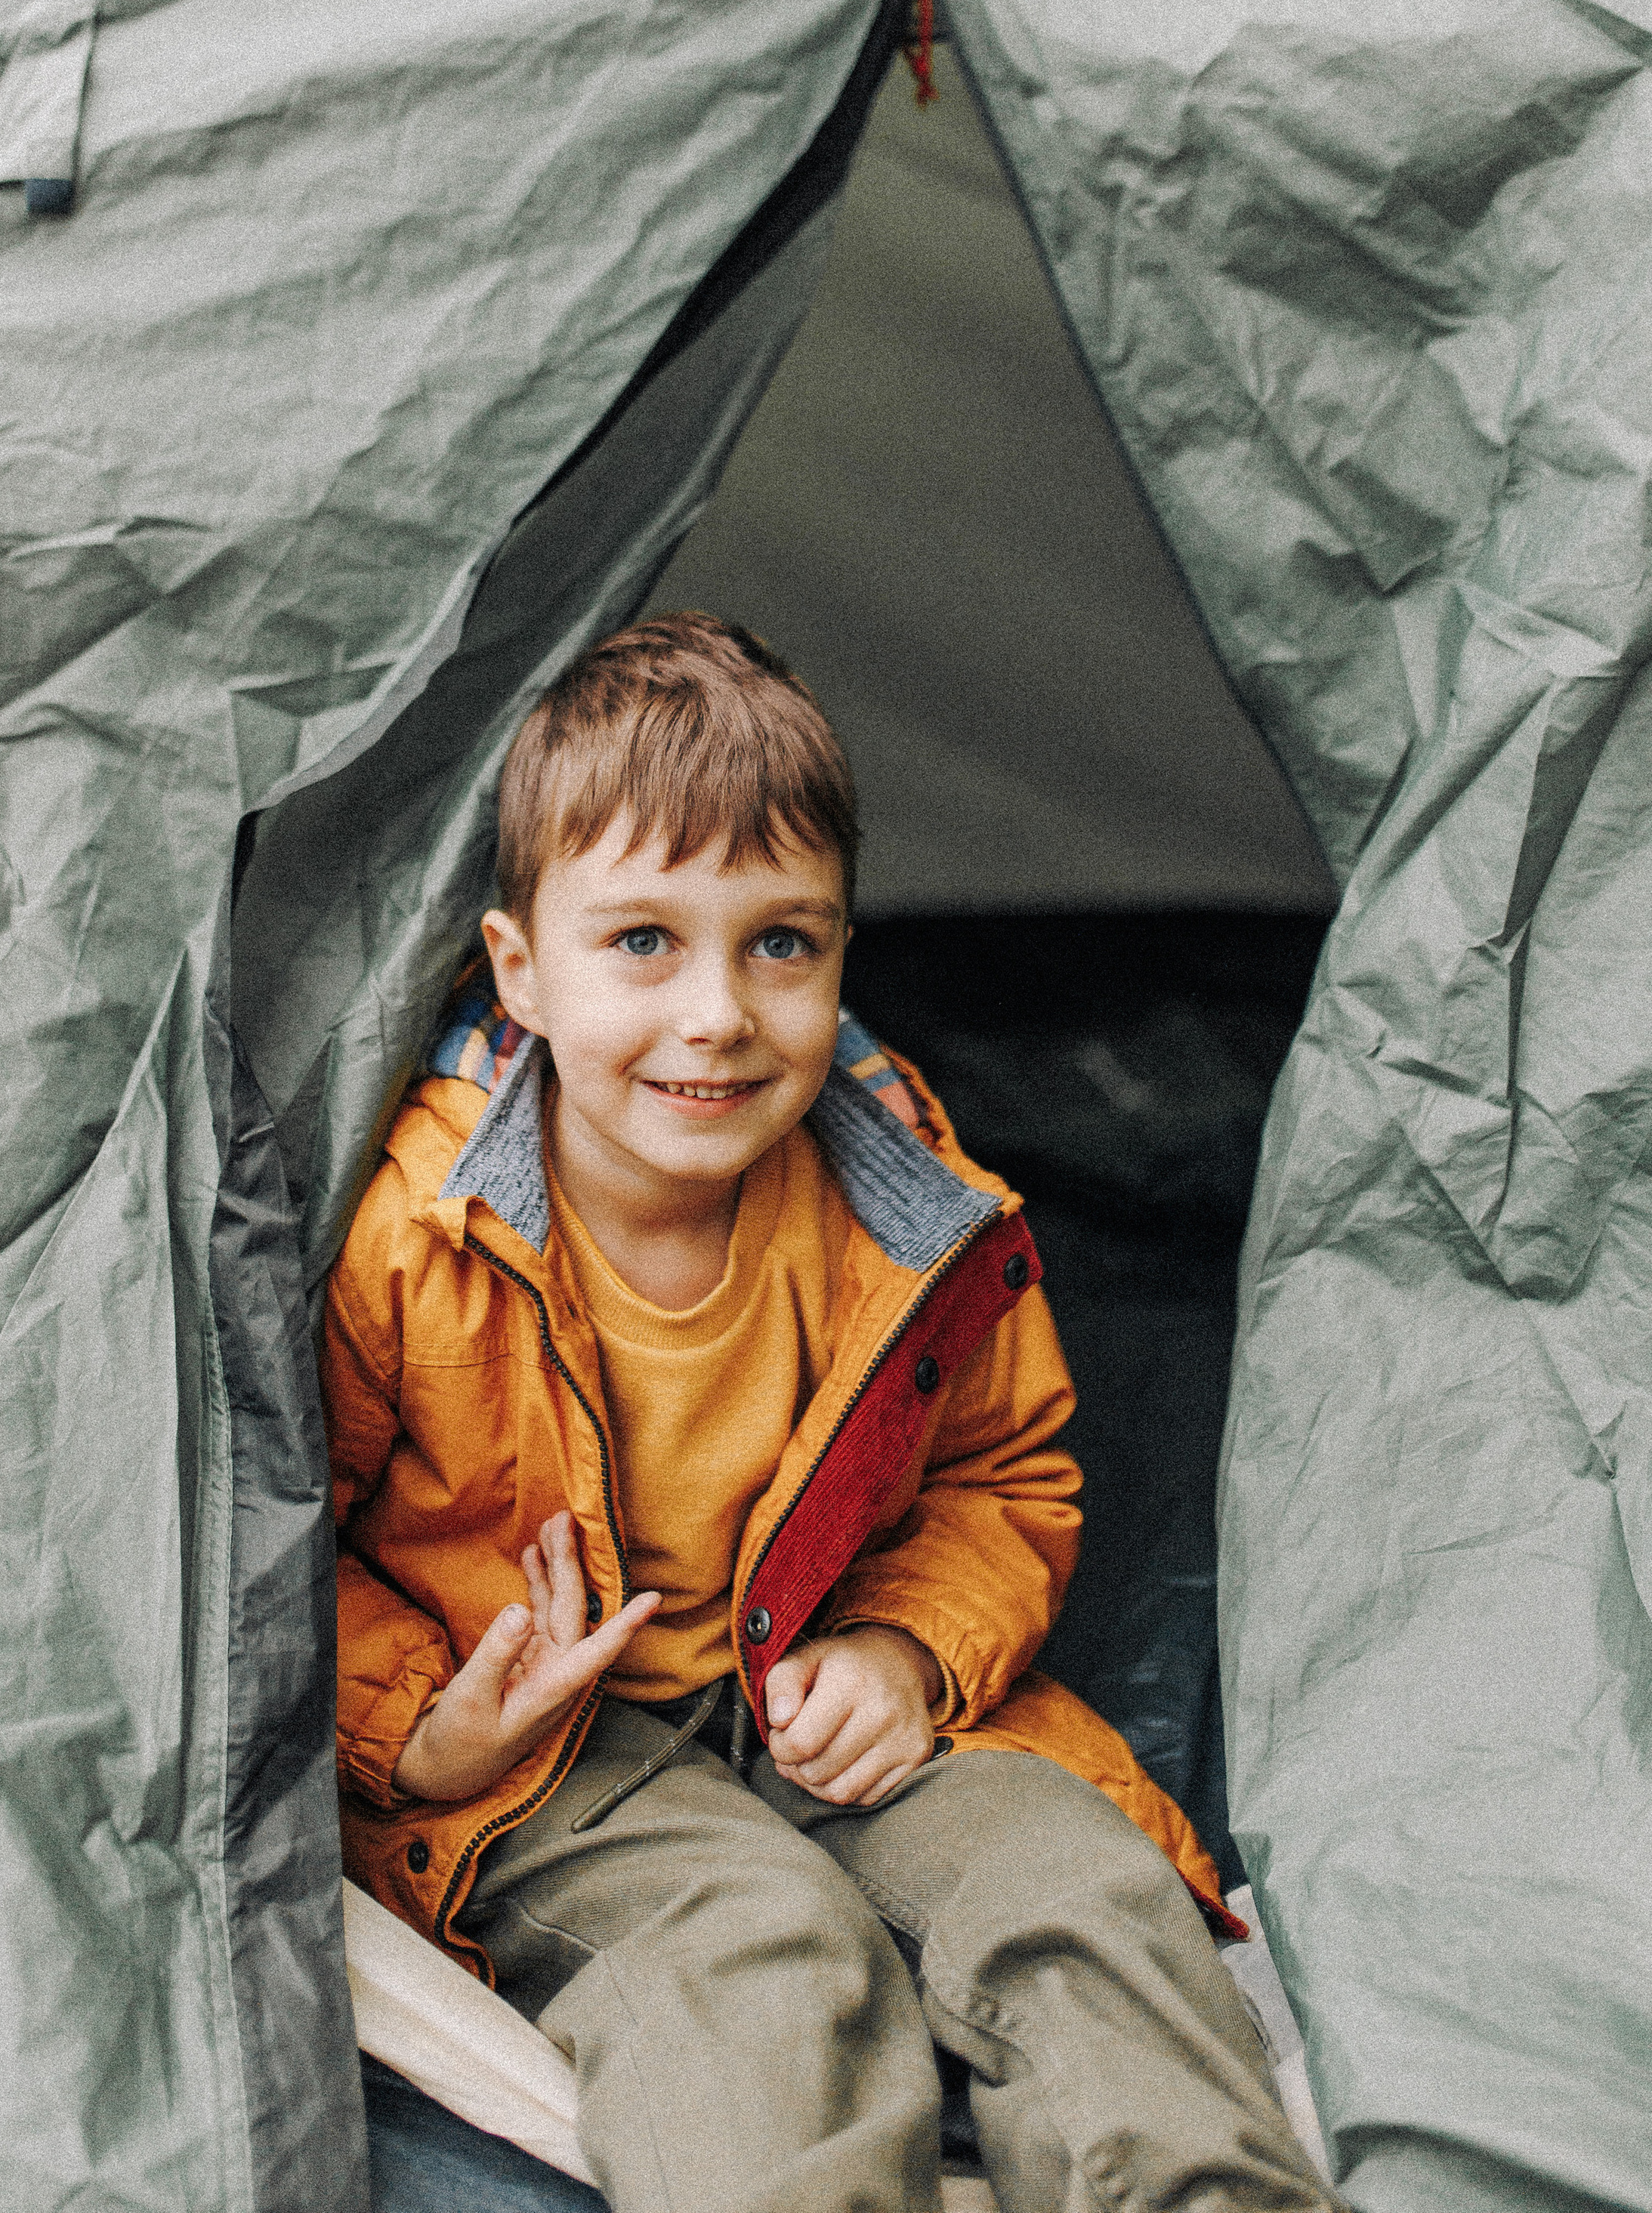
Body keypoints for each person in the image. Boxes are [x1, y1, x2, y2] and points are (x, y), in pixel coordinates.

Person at [320, 613, 1338, 2213]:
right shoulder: (415, 1242)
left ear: (845, 949)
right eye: (641, 942)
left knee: (1071, 1888)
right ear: (518, 969)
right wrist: (422, 1729)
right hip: (540, 1759)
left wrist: (907, 1653)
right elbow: (268, 1535)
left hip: (819, 1679)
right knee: (760, 1952)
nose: (717, 1013)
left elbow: (1005, 1472)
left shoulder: (903, 1207)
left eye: (779, 942)